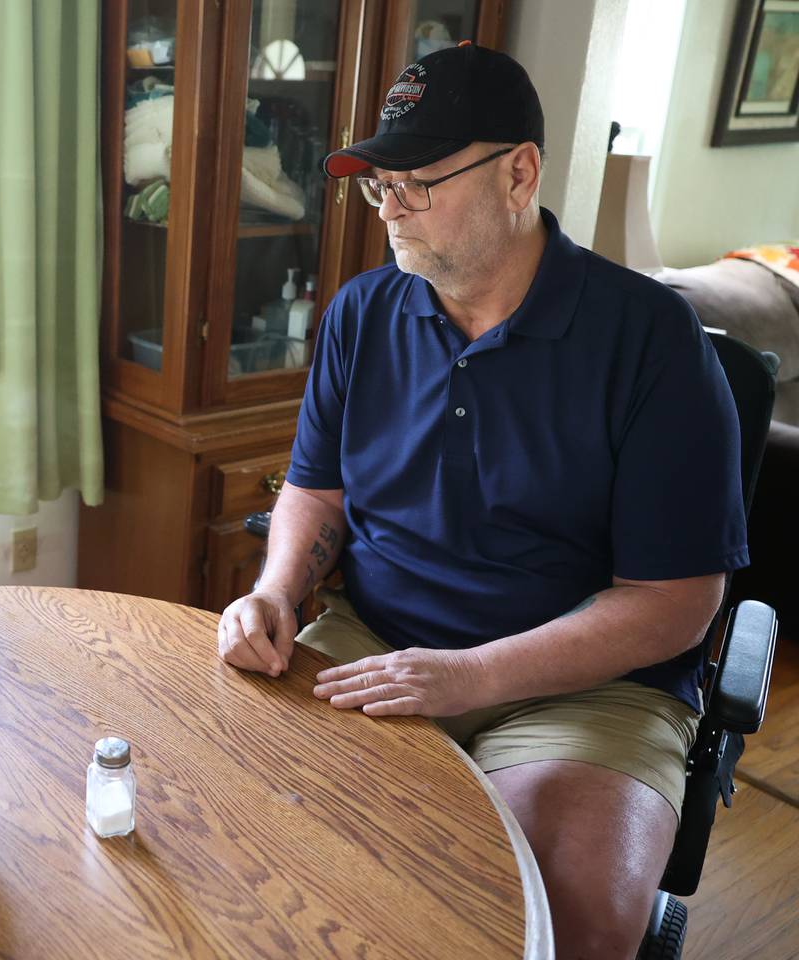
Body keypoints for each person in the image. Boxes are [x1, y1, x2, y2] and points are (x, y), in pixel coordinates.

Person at [217, 44, 746, 959]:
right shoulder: (362, 313)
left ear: (520, 174)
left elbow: (677, 603)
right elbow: (316, 488)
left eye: (418, 182)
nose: (391, 210)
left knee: (560, 925)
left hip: (590, 691)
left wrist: (472, 674)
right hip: (373, 642)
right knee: (246, 842)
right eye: (379, 185)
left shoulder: (648, 339)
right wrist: (275, 590)